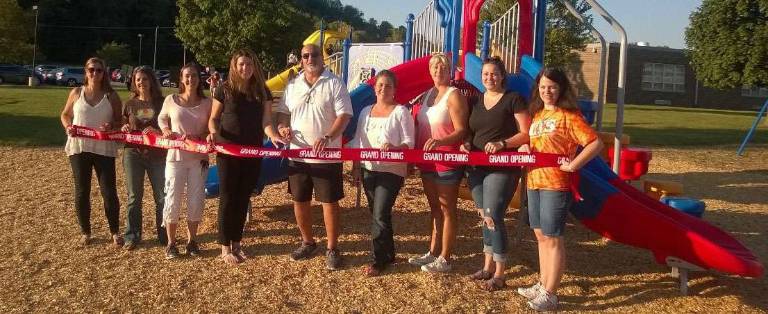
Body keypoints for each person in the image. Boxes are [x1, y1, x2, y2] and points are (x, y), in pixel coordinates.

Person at [516, 68, 602, 311]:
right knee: (541, 236)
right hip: (534, 181)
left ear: (561, 89)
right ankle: (543, 283)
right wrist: (525, 149)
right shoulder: (538, 115)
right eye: (543, 87)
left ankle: (551, 293)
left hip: (556, 184)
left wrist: (573, 165)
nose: (547, 91)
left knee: (553, 238)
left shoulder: (569, 116)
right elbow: (534, 144)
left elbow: (594, 143)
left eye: (552, 87)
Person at [275, 43, 353, 270]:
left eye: (314, 54)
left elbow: (344, 116)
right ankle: (308, 242)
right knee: (299, 200)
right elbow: (283, 113)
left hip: (326, 156)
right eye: (305, 56)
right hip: (298, 155)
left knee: (329, 202)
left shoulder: (334, 83)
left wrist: (328, 137)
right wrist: (282, 128)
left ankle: (332, 248)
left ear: (323, 58)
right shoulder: (293, 85)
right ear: (301, 60)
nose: (310, 59)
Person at [208, 49, 286, 265]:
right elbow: (214, 118)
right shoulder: (224, 90)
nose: (245, 68)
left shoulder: (262, 91)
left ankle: (237, 243)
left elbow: (266, 122)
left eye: (249, 65)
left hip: (253, 151)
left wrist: (274, 137)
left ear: (254, 67)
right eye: (241, 64)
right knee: (228, 196)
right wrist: (215, 134)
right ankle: (224, 246)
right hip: (228, 151)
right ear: (234, 66)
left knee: (243, 197)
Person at [460, 57, 531, 290]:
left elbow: (526, 133)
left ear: (502, 76)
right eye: (485, 74)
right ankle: (487, 266)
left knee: (493, 215)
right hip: (476, 167)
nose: (489, 78)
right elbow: (471, 131)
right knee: (484, 215)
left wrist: (503, 143)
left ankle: (500, 274)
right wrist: (467, 144)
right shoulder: (475, 100)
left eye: (494, 74)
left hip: (502, 167)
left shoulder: (514, 100)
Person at [349, 70, 415, 276]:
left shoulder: (401, 112)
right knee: (380, 214)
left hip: (391, 170)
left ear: (395, 90)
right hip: (369, 168)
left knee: (379, 213)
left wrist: (395, 148)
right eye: (380, 85)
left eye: (388, 86)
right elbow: (358, 142)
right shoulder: (365, 111)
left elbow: (409, 143)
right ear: (374, 88)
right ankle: (389, 253)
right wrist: (356, 166)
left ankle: (376, 260)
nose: (383, 89)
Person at [408, 53, 469, 273]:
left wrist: (441, 141)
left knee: (447, 208)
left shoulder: (454, 96)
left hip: (447, 160)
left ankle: (445, 257)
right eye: (435, 68)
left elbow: (462, 130)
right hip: (427, 161)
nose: (438, 71)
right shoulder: (427, 95)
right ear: (430, 71)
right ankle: (433, 251)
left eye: (443, 68)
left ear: (450, 70)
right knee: (435, 208)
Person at [60, 57, 123, 246]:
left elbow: (121, 121)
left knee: (109, 191)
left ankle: (115, 231)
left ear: (104, 73)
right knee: (82, 191)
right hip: (79, 147)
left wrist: (112, 124)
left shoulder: (111, 96)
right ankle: (85, 232)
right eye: (91, 70)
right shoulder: (76, 92)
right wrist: (68, 126)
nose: (95, 73)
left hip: (103, 148)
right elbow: (65, 114)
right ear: (85, 72)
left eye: (99, 70)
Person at [158, 62, 213, 259]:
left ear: (199, 79)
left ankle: (192, 241)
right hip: (175, 157)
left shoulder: (207, 104)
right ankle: (171, 243)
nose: (190, 79)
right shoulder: (171, 100)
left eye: (194, 76)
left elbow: (212, 127)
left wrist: (206, 135)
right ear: (181, 79)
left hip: (198, 158)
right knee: (172, 198)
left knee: (196, 199)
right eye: (187, 76)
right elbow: (162, 118)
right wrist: (165, 130)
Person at [120, 67, 168, 250]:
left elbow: (169, 126)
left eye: (145, 79)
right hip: (133, 154)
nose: (141, 82)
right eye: (138, 79)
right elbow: (123, 122)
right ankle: (132, 236)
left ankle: (164, 235)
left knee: (161, 197)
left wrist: (158, 131)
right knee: (134, 196)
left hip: (157, 155)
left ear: (152, 81)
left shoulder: (162, 103)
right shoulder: (130, 104)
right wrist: (124, 127)